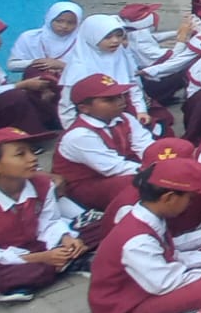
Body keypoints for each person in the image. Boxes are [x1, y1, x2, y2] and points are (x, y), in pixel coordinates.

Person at [87, 158, 201, 313]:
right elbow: (166, 282)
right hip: (123, 310)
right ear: (169, 198)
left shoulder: (150, 216)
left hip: (147, 284)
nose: (191, 204)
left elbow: (170, 253)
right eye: (190, 199)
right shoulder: (138, 240)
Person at [0, 127, 88, 302]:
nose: (32, 158)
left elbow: (49, 220)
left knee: (98, 225)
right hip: (4, 259)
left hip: (39, 244)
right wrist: (40, 258)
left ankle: (48, 270)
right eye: (20, 154)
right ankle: (63, 264)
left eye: (32, 151)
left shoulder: (42, 184)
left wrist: (65, 238)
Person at [52, 73, 154, 210]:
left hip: (117, 174)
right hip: (87, 188)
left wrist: (161, 161)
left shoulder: (125, 118)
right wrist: (157, 170)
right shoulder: (79, 135)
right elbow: (114, 168)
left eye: (120, 96)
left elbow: (146, 146)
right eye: (109, 99)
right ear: (84, 108)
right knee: (144, 183)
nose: (120, 101)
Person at [5, 1, 82, 81]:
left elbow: (88, 68)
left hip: (71, 83)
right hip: (35, 83)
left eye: (71, 23)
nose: (64, 26)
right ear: (49, 19)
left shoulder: (81, 41)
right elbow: (12, 65)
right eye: (59, 21)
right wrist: (38, 62)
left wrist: (62, 65)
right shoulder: (29, 37)